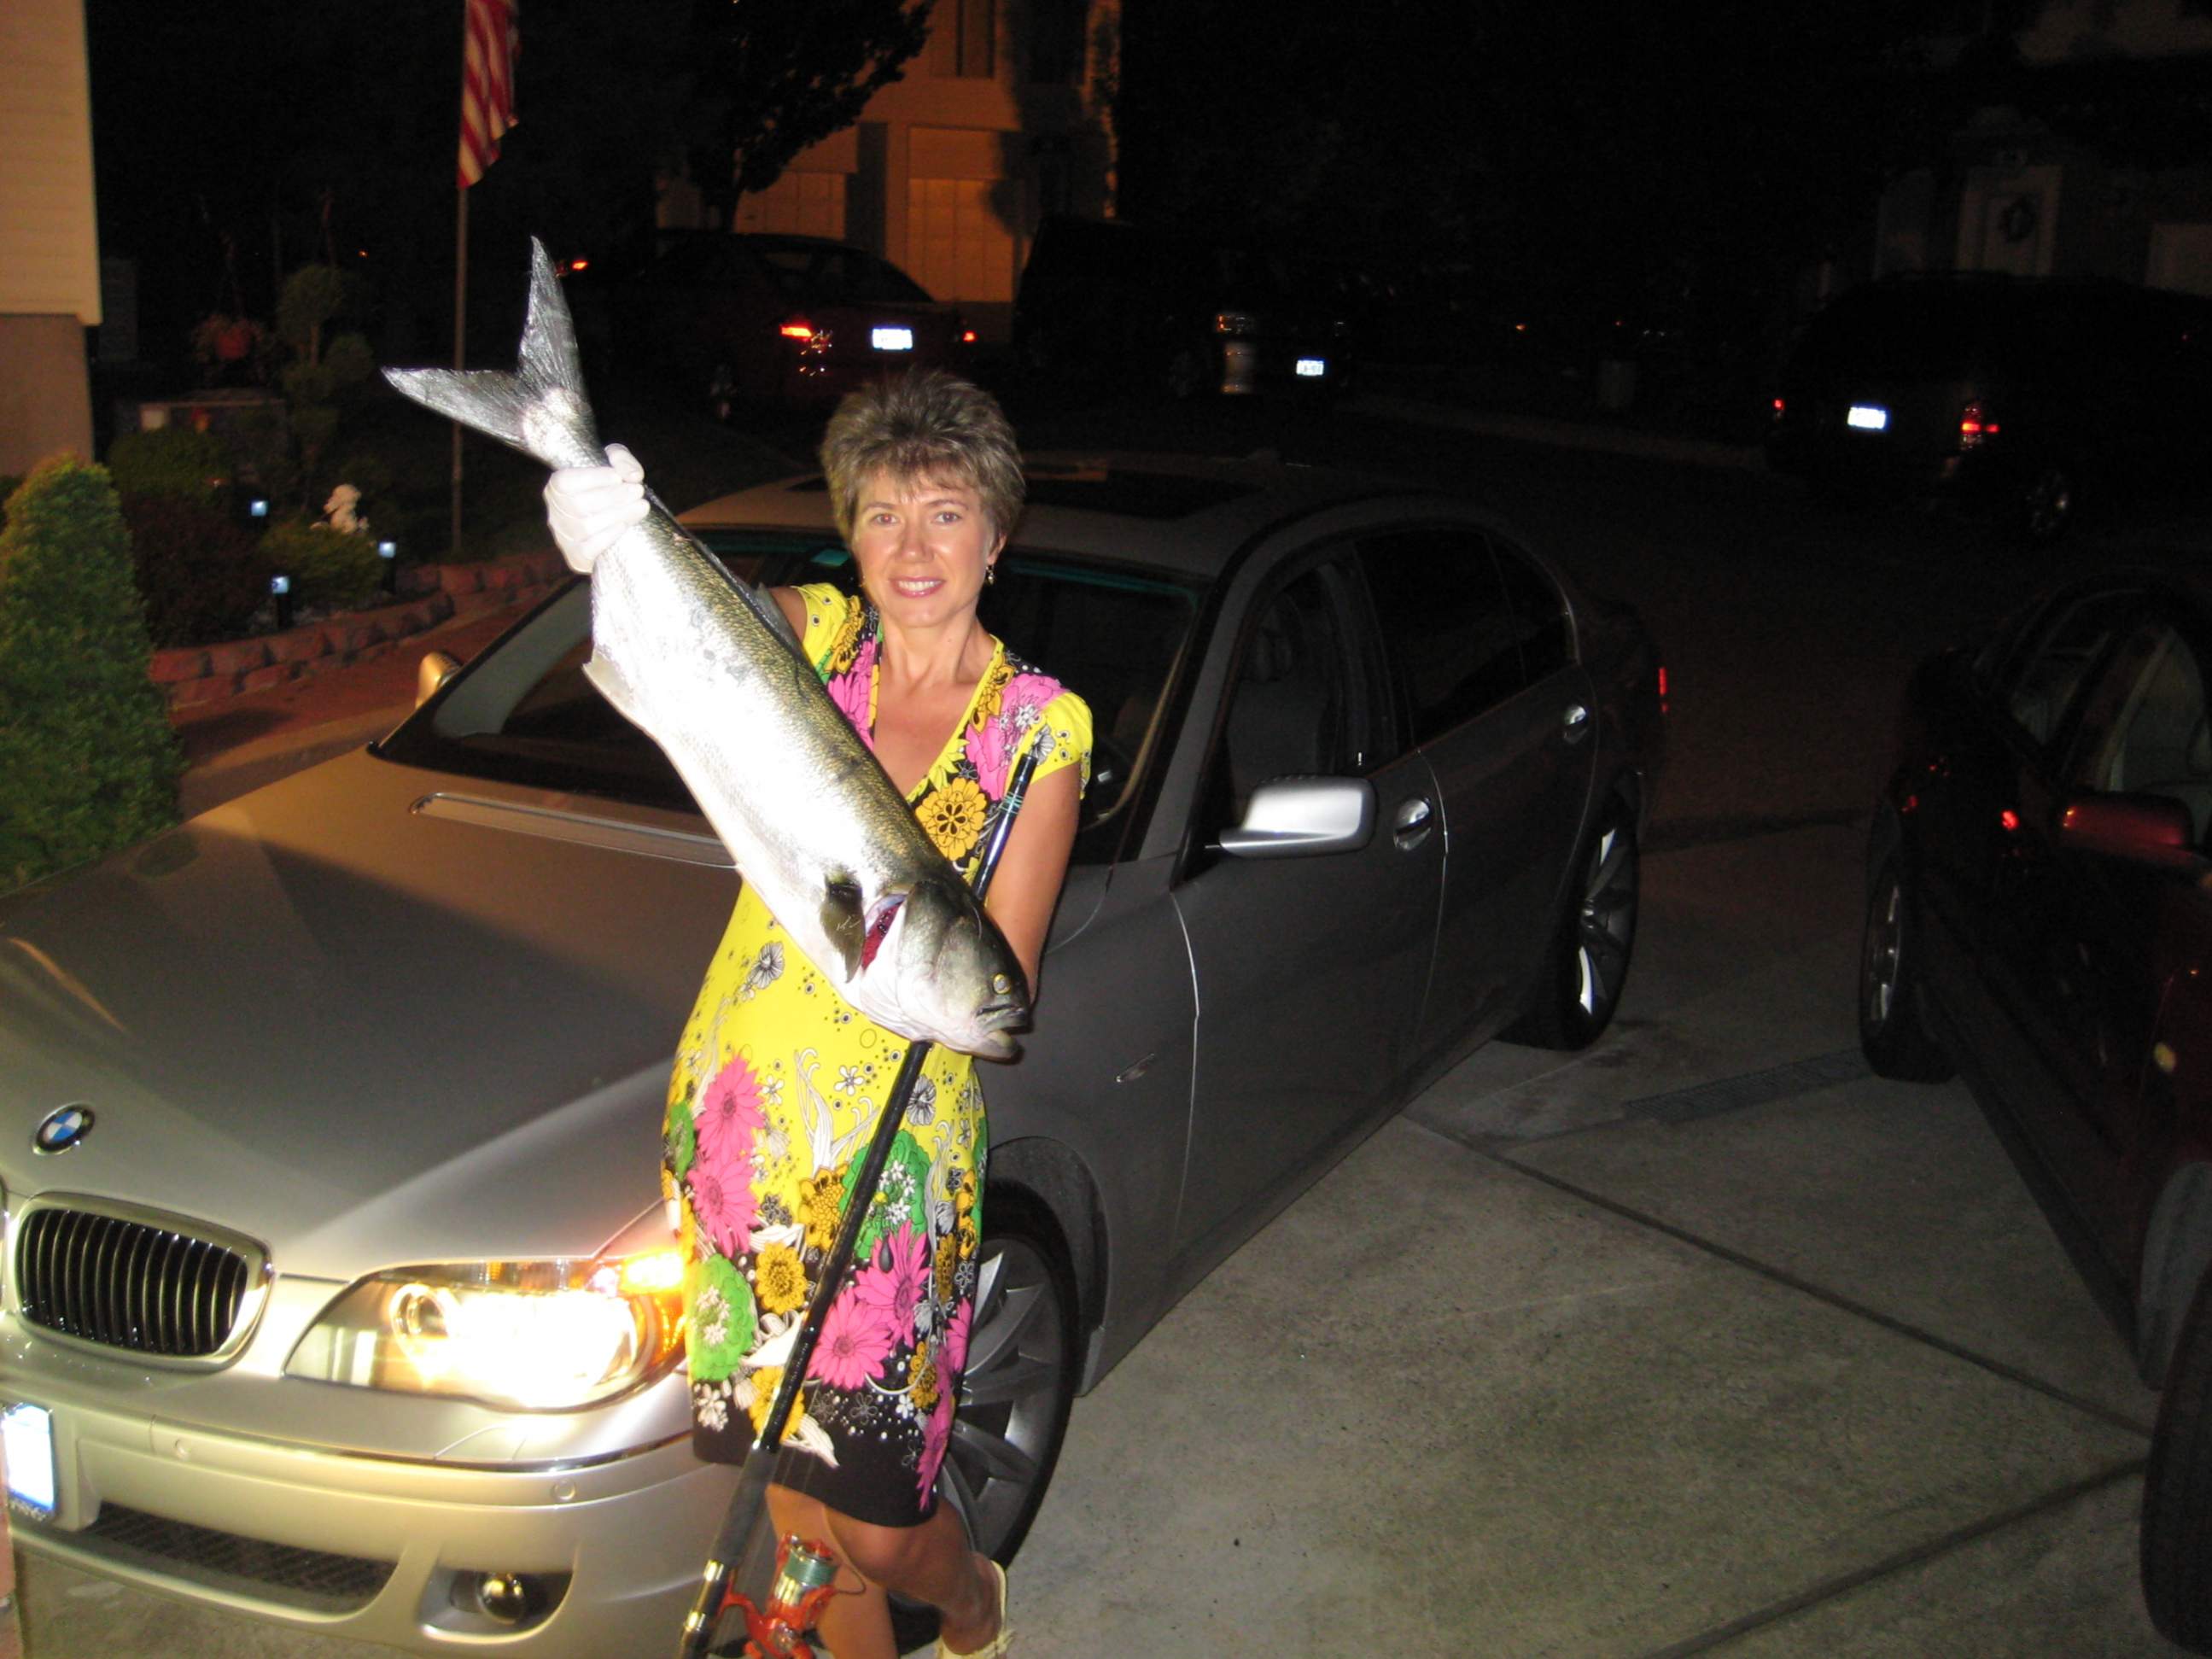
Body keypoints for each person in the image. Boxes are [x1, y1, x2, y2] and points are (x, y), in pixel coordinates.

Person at [544, 369, 1089, 1659]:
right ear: (850, 534)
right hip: (739, 1121)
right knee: (796, 1506)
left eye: (946, 514)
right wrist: (611, 530)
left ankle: (969, 1600)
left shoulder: (1037, 728)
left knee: (882, 1523)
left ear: (996, 538)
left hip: (893, 1162)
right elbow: (708, 621)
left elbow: (999, 982)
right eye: (883, 515)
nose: (914, 547)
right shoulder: (823, 639)